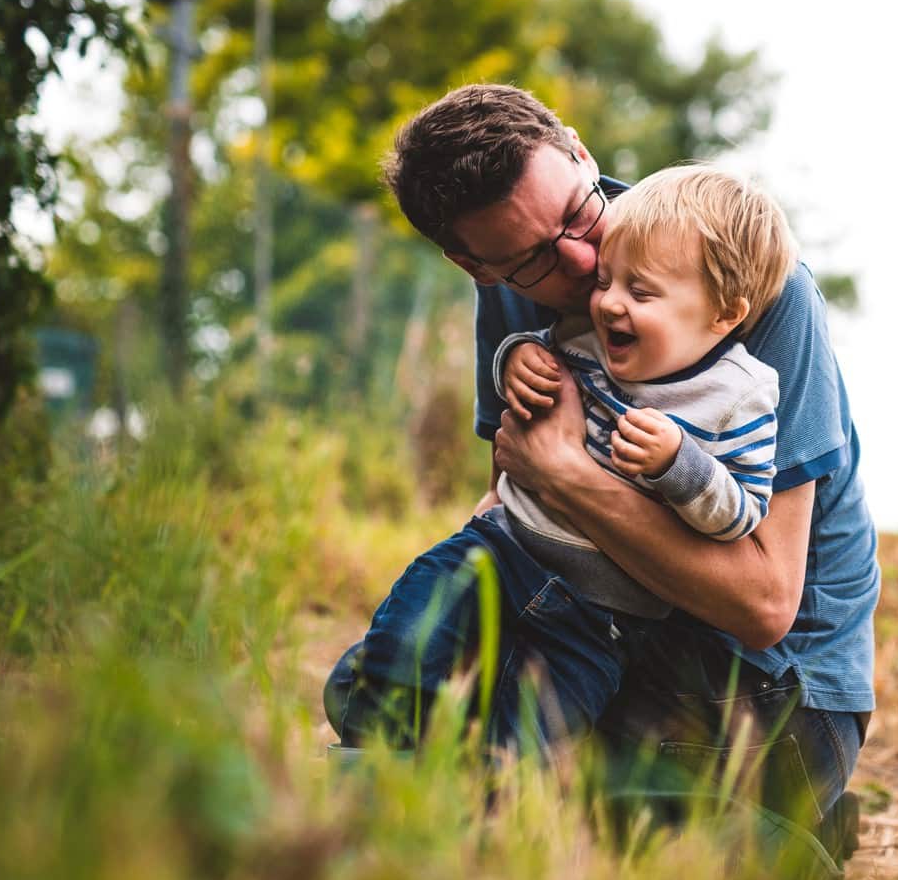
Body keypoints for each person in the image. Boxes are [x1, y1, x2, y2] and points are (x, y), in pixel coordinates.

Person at [324, 84, 879, 856]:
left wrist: (568, 476)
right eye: (536, 259)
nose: (585, 264)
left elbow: (765, 603)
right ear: (474, 265)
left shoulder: (748, 283)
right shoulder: (511, 296)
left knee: (498, 765)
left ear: (581, 152)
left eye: (580, 216)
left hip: (771, 686)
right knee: (371, 679)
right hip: (609, 628)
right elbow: (519, 500)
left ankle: (772, 858)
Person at [333, 165, 795, 749]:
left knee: (527, 743)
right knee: (399, 650)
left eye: (641, 291)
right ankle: (378, 764)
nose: (608, 304)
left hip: (602, 618)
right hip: (497, 552)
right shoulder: (588, 337)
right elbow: (535, 358)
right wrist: (516, 359)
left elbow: (743, 512)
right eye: (607, 281)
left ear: (724, 313)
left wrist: (678, 463)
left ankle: (478, 810)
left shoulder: (736, 397)